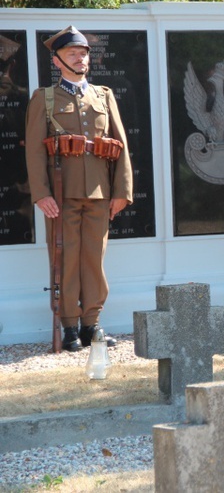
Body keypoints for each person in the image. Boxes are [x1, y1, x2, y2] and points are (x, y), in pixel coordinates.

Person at [25, 26, 133, 351]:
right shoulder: (43, 98)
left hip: (99, 193)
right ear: (57, 60)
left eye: (84, 52)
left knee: (93, 258)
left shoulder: (103, 96)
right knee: (65, 256)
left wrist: (121, 190)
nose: (81, 58)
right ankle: (69, 325)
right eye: (73, 53)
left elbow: (121, 144)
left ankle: (92, 323)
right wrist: (41, 193)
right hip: (62, 193)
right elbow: (33, 149)